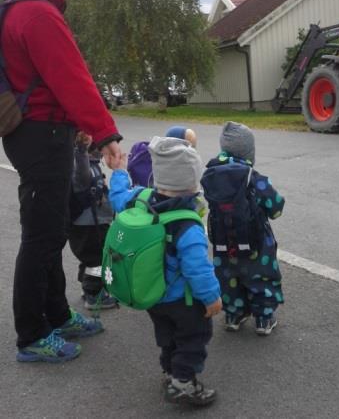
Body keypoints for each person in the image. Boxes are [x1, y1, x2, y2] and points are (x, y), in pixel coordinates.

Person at [2, 0, 123, 363]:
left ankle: (56, 314)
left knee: (50, 232)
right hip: (40, 137)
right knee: (41, 237)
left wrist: (79, 128)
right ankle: (32, 334)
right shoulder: (37, 13)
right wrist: (106, 133)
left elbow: (54, 83)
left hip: (43, 133)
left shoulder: (24, 6)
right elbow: (71, 78)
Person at [109, 136, 221, 407]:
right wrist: (212, 297)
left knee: (167, 335)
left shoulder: (140, 198)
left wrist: (119, 172)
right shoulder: (187, 225)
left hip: (152, 295)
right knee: (193, 337)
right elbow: (198, 270)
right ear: (192, 184)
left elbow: (116, 199)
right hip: (183, 300)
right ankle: (183, 383)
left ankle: (170, 370)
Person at [201, 121, 285, 336]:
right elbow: (276, 208)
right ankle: (264, 319)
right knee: (260, 277)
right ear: (249, 151)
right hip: (257, 244)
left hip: (223, 242)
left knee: (229, 278)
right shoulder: (253, 177)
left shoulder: (211, 175)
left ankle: (234, 315)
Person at [68, 131, 117, 310]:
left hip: (95, 221)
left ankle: (88, 288)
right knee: (95, 260)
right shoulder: (79, 161)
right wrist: (81, 150)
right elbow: (82, 178)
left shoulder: (93, 162)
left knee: (91, 258)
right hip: (87, 223)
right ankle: (94, 295)